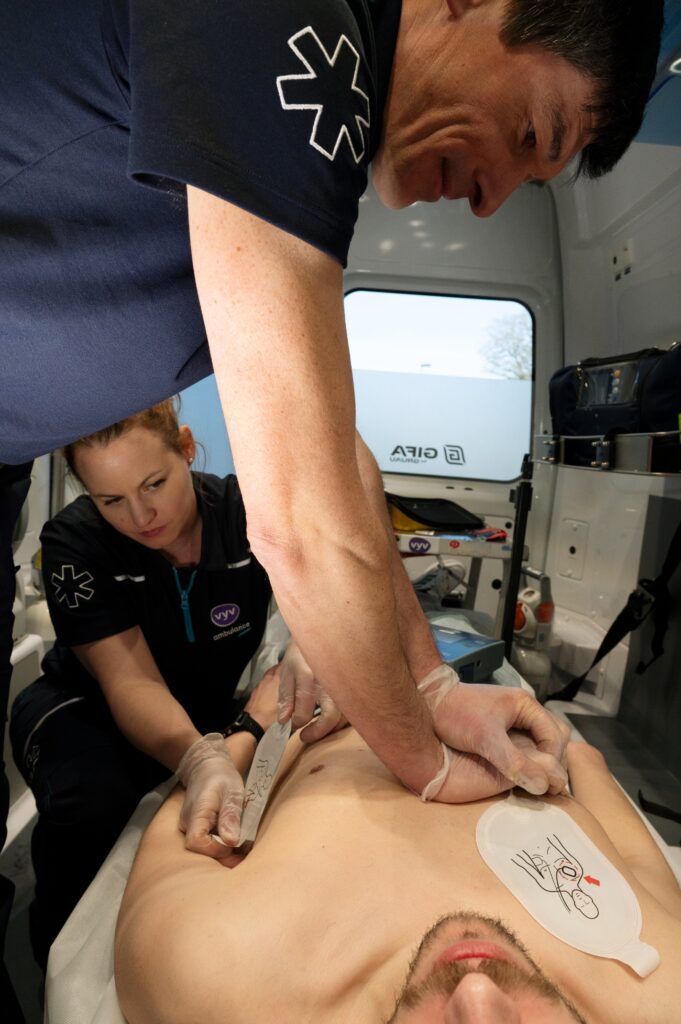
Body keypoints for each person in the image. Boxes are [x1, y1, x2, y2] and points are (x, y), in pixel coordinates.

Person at [0, 2, 665, 1013]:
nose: (491, 201)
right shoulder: (285, 29)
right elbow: (305, 528)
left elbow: (333, 455)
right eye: (531, 136)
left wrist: (435, 686)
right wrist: (423, 761)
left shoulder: (305, 148)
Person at [114, 727, 681, 1023]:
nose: (478, 994)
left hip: (329, 714)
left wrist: (254, 724)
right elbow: (626, 835)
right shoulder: (660, 992)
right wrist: (564, 747)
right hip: (495, 713)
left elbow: (183, 827)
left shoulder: (221, 982)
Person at [8, 399, 282, 970]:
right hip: (82, 710)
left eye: (154, 483)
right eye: (111, 500)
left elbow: (321, 601)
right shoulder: (76, 544)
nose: (140, 516)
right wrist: (201, 758)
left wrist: (308, 652)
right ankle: (63, 967)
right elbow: (130, 683)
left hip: (204, 711)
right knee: (94, 800)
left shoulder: (248, 514)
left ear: (186, 447)